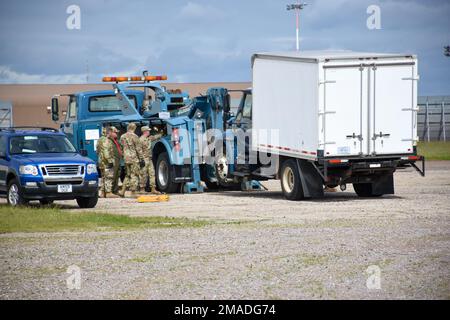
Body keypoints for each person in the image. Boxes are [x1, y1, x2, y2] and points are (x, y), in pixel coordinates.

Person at [119, 122, 145, 197]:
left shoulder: (122, 136)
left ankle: (122, 191)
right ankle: (133, 192)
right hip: (134, 158)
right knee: (134, 174)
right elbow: (138, 149)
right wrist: (141, 159)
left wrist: (123, 156)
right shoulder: (135, 136)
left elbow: (121, 148)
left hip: (126, 158)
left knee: (128, 175)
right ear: (134, 128)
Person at [97, 126, 122, 198]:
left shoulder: (100, 139)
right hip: (106, 162)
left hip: (102, 161)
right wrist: (110, 161)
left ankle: (102, 193)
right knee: (109, 177)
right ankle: (108, 193)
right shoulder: (106, 140)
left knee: (104, 177)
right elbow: (106, 151)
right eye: (112, 132)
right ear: (109, 132)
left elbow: (98, 150)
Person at [139, 126, 162, 194]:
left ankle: (153, 188)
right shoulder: (141, 140)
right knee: (143, 174)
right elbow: (139, 150)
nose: (149, 131)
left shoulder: (148, 138)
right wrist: (141, 160)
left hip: (149, 159)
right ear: (145, 131)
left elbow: (155, 137)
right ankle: (142, 189)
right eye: (148, 130)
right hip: (144, 159)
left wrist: (161, 133)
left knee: (152, 173)